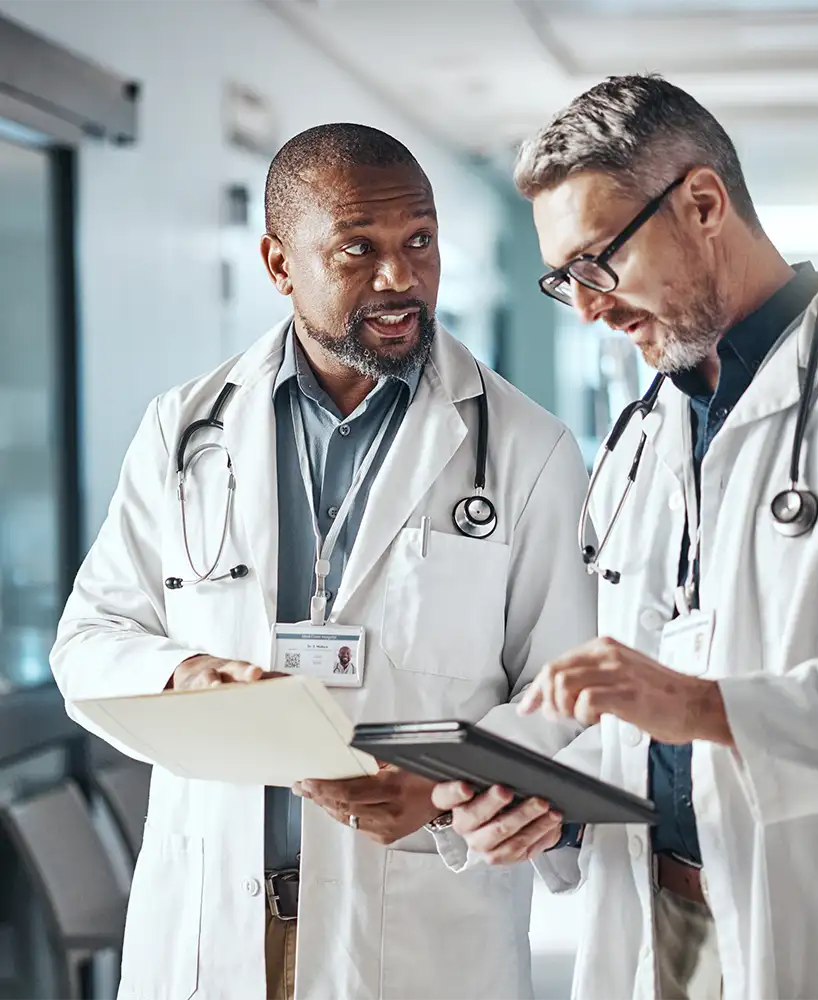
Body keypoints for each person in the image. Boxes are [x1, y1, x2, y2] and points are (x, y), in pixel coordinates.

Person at [433, 74, 818, 1000]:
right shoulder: (637, 440)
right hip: (665, 929)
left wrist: (707, 709)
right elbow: (631, 716)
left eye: (597, 262)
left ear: (701, 202)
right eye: (562, 279)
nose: (586, 308)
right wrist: (545, 807)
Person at [50, 123, 596, 1000]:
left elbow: (566, 698)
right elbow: (88, 641)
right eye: (359, 249)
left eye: (419, 241)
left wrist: (447, 789)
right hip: (210, 924)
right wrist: (182, 675)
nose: (400, 278)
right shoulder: (183, 429)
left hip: (419, 928)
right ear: (278, 263)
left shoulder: (528, 450)